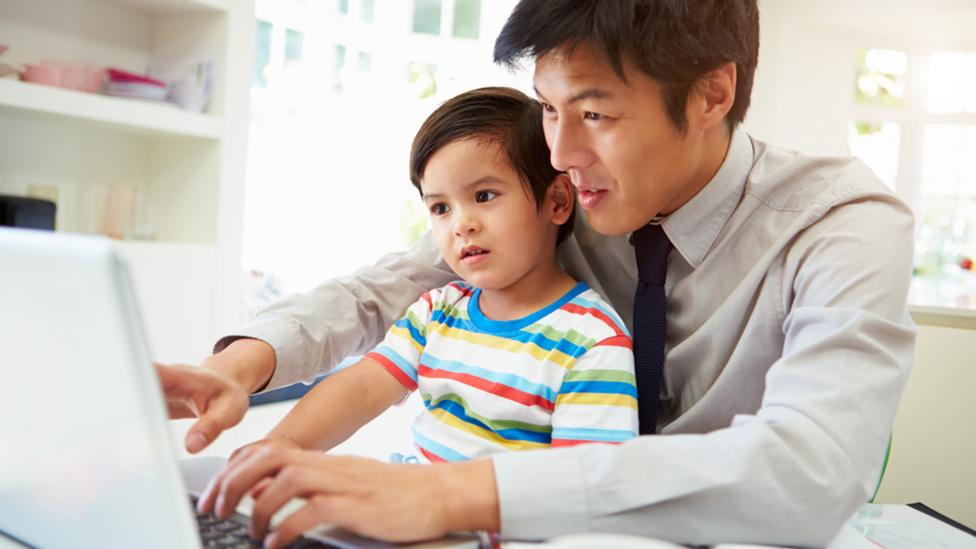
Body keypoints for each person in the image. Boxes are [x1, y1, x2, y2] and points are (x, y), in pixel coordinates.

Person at [164, 1, 917, 547]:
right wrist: (243, 363)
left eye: (595, 114)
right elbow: (382, 290)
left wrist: (453, 492)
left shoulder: (843, 222)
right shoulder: (562, 200)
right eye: (549, 110)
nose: (559, 152)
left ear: (712, 94)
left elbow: (813, 469)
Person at [207, 87, 638, 468]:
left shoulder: (592, 340)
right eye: (440, 208)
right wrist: (278, 448)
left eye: (484, 196)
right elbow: (360, 389)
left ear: (558, 201)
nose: (460, 225)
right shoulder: (438, 310)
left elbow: (588, 485)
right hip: (410, 516)